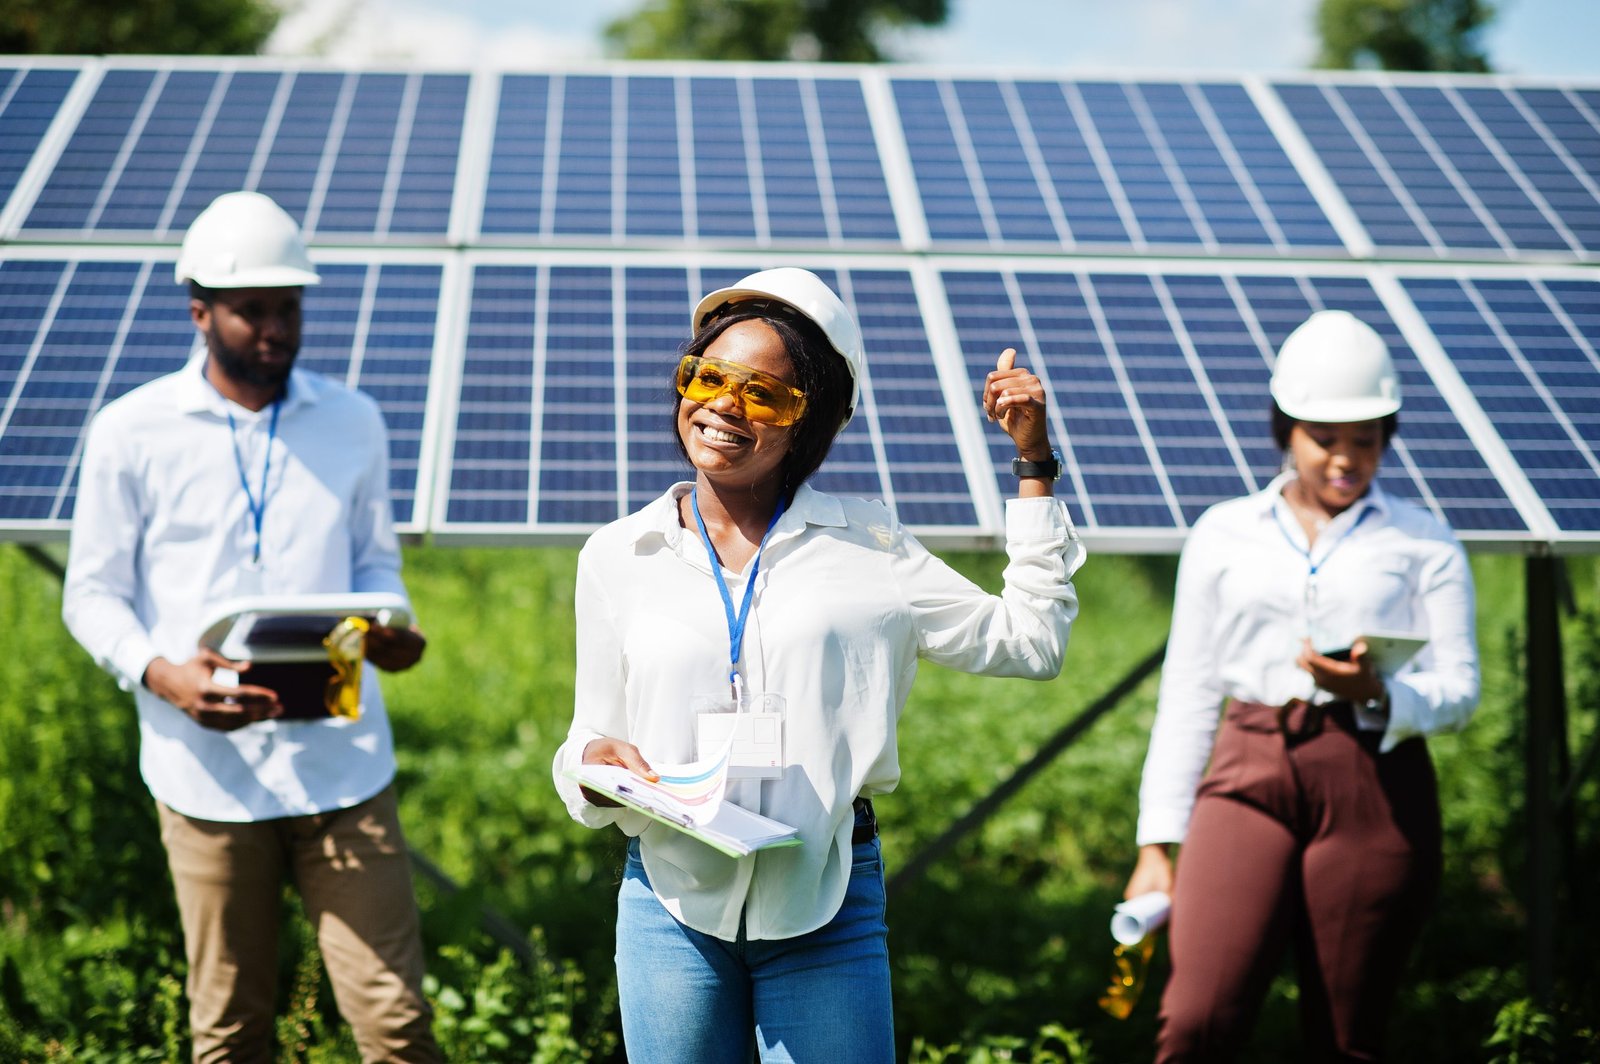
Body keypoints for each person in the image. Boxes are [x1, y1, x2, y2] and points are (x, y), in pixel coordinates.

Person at [551, 267, 1085, 1062]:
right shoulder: (619, 555)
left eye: (765, 394)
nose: (726, 406)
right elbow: (588, 736)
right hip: (670, 903)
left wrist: (1034, 465)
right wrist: (592, 761)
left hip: (826, 902)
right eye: (708, 377)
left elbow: (1032, 642)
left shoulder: (871, 549)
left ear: (813, 421)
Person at [61, 190, 441, 1063]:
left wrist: (393, 626)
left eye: (289, 307)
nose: (275, 328)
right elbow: (91, 594)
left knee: (395, 1026)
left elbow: (376, 565)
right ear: (200, 312)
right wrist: (164, 676)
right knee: (230, 1031)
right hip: (205, 777)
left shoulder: (354, 421)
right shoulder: (132, 430)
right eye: (251, 310)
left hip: (344, 767)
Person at [1123, 309, 1481, 1062]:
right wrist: (1157, 844)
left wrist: (1377, 696)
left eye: (1366, 440)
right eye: (1326, 438)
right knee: (1197, 1020)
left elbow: (1461, 687)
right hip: (1248, 764)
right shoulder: (1225, 531)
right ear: (1285, 430)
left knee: (1348, 1037)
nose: (1346, 459)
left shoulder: (1423, 541)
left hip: (1374, 781)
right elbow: (1188, 689)